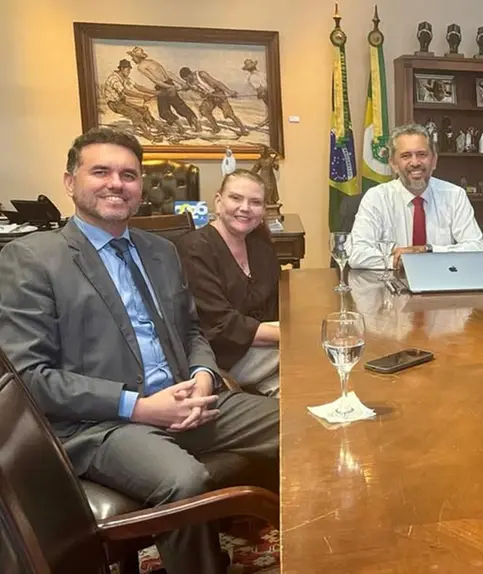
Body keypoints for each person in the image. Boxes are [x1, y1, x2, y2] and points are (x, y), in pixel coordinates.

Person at [0, 127, 279, 573]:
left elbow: (192, 332)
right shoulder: (31, 259)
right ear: (70, 182)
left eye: (128, 175)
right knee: (186, 480)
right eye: (101, 172)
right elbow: (30, 377)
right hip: (102, 424)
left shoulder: (162, 251)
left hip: (190, 401)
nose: (116, 183)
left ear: (140, 187)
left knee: (302, 426)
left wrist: (203, 376)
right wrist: (141, 407)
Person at [179, 170, 280, 397]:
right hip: (223, 356)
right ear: (218, 201)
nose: (245, 208)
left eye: (255, 202)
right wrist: (291, 336)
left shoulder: (260, 245)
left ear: (263, 210)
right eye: (236, 198)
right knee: (314, 352)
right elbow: (221, 324)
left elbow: (276, 302)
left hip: (263, 346)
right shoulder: (195, 249)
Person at [348, 123, 483, 270]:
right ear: (393, 164)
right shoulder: (376, 198)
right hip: (392, 286)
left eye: (422, 154)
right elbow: (357, 253)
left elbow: (476, 249)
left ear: (434, 161)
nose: (415, 163)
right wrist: (401, 261)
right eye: (406, 156)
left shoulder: (454, 195)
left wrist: (427, 250)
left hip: (442, 284)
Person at [128, 46, 199, 132]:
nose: (132, 60)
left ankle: (180, 127)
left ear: (137, 57)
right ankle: (194, 120)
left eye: (133, 57)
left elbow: (155, 80)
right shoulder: (152, 61)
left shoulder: (141, 67)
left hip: (163, 86)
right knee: (179, 105)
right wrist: (180, 83)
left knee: (163, 111)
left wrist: (168, 87)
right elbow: (168, 73)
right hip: (169, 83)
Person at [178, 67, 249, 136]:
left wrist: (230, 92)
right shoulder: (189, 83)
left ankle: (243, 130)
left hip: (218, 93)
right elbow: (190, 89)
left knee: (229, 113)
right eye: (185, 79)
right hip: (210, 97)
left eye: (186, 78)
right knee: (204, 111)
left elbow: (217, 83)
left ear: (189, 74)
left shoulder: (201, 75)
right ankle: (216, 128)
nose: (186, 80)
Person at [101, 59, 161, 140]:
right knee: (136, 115)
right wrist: (143, 96)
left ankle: (156, 127)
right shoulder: (114, 79)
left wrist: (155, 92)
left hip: (122, 102)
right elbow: (125, 91)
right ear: (122, 68)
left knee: (143, 110)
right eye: (127, 69)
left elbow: (138, 87)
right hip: (114, 104)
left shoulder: (125, 77)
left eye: (130, 69)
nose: (129, 71)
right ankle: (148, 135)